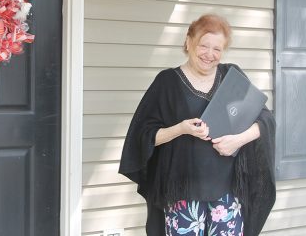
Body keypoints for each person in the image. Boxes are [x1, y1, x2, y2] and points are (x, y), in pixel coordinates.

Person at [118, 14, 276, 236]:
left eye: (217, 49)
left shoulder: (231, 77)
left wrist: (237, 141)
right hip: (182, 193)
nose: (209, 55)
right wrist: (181, 129)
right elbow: (143, 135)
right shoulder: (167, 82)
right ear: (189, 41)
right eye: (204, 45)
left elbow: (266, 120)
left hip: (227, 193)